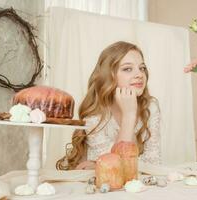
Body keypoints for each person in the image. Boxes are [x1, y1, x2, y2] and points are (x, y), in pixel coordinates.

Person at [56, 41, 161, 170]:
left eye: (142, 68)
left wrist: (96, 165)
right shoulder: (95, 115)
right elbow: (117, 168)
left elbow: (154, 163)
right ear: (109, 75)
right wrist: (129, 115)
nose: (139, 75)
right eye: (127, 69)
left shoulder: (150, 106)